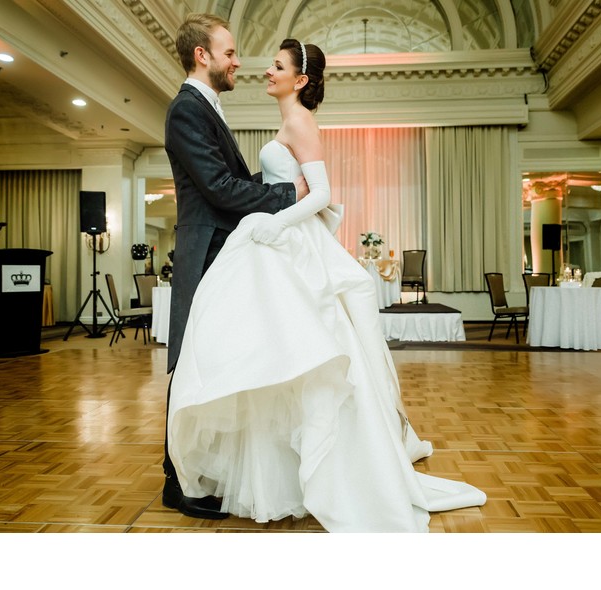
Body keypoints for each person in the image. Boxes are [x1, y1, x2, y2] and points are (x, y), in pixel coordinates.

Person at [167, 39, 487, 532]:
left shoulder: (299, 122)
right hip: (276, 239)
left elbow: (323, 195)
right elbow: (258, 182)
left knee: (306, 353)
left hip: (289, 242)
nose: (262, 70)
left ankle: (330, 469)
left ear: (299, 79)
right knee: (278, 354)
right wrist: (274, 206)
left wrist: (274, 221)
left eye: (276, 66)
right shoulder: (282, 121)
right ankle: (277, 471)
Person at [162, 14, 307, 519]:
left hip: (224, 252)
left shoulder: (207, 108)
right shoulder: (186, 110)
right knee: (190, 363)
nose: (238, 61)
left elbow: (230, 181)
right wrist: (289, 194)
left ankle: (198, 471)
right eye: (229, 52)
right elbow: (220, 189)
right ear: (202, 55)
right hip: (203, 253)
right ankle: (176, 481)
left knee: (217, 362)